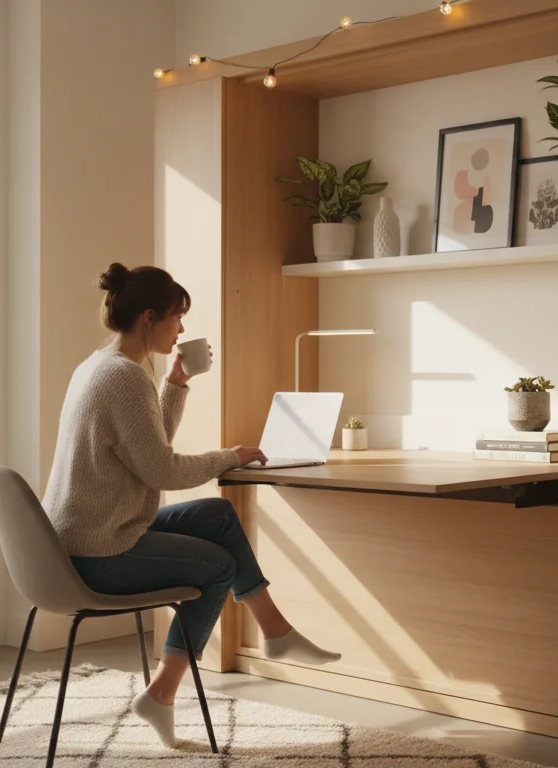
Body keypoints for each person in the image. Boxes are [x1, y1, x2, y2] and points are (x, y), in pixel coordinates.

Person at [41, 262, 340, 748]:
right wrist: (231, 456)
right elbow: (162, 470)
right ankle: (161, 694)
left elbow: (144, 447)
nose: (182, 329)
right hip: (99, 556)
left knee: (217, 515)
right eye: (177, 318)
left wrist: (176, 383)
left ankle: (275, 629)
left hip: (80, 539)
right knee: (218, 567)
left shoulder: (99, 366)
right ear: (149, 317)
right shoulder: (125, 378)